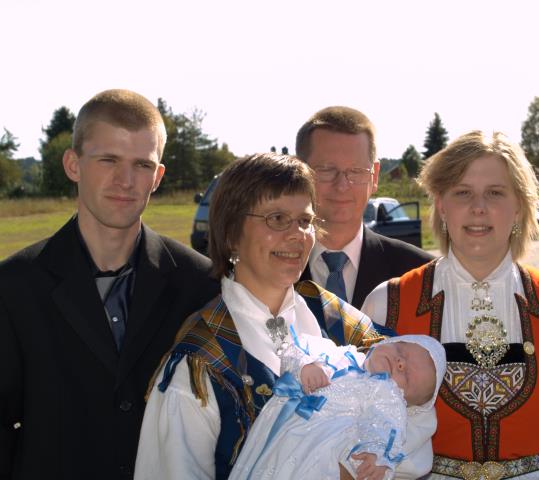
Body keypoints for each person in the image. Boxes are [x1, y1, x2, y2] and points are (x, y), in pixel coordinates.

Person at [362, 130, 539, 479]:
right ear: (441, 204)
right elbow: (354, 432)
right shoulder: (387, 304)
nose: (478, 207)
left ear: (519, 205)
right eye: (463, 192)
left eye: (495, 192)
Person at [0, 89, 220, 480]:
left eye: (141, 165)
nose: (125, 180)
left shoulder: (200, 283)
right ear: (73, 165)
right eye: (108, 160)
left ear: (158, 177)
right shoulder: (13, 287)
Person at [134, 153, 382, 480]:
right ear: (231, 234)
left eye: (305, 220)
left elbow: (409, 397)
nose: (298, 234)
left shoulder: (332, 317)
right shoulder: (198, 362)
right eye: (277, 219)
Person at [229, 334, 446, 480]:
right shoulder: (341, 353)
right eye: (400, 350)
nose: (400, 363)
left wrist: (376, 454)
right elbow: (296, 345)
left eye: (406, 376)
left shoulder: (385, 392)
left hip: (323, 444)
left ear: (407, 403)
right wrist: (306, 365)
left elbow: (386, 423)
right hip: (284, 427)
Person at [296, 106, 433, 309]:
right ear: (299, 172)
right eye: (326, 169)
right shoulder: (267, 272)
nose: (342, 185)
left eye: (356, 171)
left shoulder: (422, 275)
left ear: (374, 176)